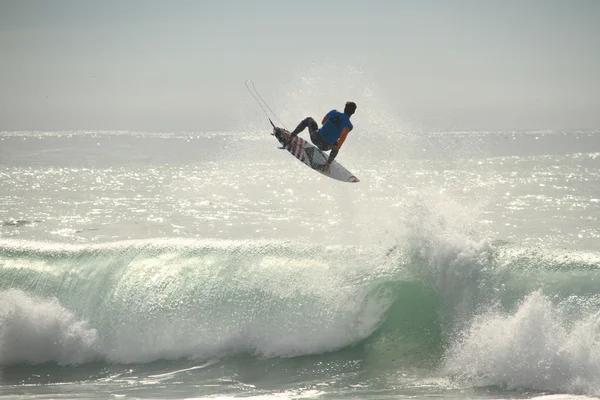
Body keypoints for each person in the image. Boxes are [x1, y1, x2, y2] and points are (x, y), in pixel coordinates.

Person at [288, 101, 357, 168]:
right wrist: (337, 146)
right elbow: (343, 136)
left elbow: (323, 122)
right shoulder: (349, 125)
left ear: (344, 108)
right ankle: (327, 164)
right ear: (353, 112)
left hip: (315, 138)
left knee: (309, 120)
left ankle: (291, 136)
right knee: (337, 145)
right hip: (325, 146)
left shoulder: (333, 112)